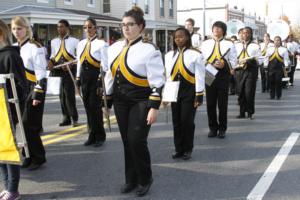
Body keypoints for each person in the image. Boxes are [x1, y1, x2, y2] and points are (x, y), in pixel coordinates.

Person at [105, 6, 165, 196]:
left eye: (131, 25)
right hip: (120, 101)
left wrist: (154, 107)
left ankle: (145, 178)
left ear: (141, 26)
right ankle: (130, 179)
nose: (126, 28)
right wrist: (105, 103)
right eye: (123, 25)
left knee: (136, 140)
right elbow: (109, 76)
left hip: (141, 101)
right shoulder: (113, 48)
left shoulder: (150, 50)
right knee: (126, 141)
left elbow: (157, 81)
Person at [11, 16, 47, 170]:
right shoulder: (13, 48)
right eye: (13, 29)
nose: (16, 32)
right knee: (21, 125)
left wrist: (38, 94)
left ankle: (38, 157)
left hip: (33, 89)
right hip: (18, 90)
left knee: (29, 125)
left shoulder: (35, 47)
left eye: (19, 28)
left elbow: (41, 73)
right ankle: (28, 155)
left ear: (26, 28)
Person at [164, 27, 205, 160]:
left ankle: (188, 149)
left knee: (187, 121)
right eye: (176, 37)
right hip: (175, 90)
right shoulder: (169, 55)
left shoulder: (196, 54)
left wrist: (199, 95)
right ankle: (178, 149)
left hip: (190, 91)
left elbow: (200, 76)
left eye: (181, 36)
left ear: (187, 38)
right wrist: (166, 95)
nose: (178, 39)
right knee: (176, 122)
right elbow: (168, 77)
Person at [0, 18, 28, 200]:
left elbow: (21, 85)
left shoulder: (10, 55)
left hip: (6, 108)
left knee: (9, 148)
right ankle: (6, 185)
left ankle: (13, 188)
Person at [201, 21, 237, 138]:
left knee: (222, 104)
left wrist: (224, 65)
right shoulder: (205, 43)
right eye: (214, 27)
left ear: (223, 30)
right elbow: (200, 59)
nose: (216, 29)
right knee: (210, 103)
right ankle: (212, 128)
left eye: (219, 28)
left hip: (222, 75)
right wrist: (207, 64)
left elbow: (234, 61)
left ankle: (222, 129)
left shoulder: (229, 44)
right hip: (209, 73)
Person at [76, 17, 107, 147]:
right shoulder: (81, 44)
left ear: (95, 28)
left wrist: (101, 82)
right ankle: (92, 134)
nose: (87, 29)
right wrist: (77, 79)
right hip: (84, 78)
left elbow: (105, 65)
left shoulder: (102, 44)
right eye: (85, 27)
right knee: (88, 108)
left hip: (95, 78)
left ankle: (100, 136)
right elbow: (79, 62)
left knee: (95, 108)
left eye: (90, 27)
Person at [48, 19, 79, 127]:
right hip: (58, 69)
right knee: (61, 94)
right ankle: (66, 118)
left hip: (70, 69)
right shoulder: (53, 41)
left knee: (69, 94)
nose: (59, 29)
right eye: (58, 27)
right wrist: (50, 62)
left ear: (67, 27)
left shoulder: (75, 41)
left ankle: (74, 117)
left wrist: (71, 64)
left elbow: (78, 57)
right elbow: (53, 54)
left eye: (61, 26)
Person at [235, 27, 262, 119]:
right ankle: (242, 112)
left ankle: (250, 112)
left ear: (251, 34)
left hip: (250, 71)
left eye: (247, 33)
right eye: (243, 33)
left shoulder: (255, 45)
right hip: (239, 71)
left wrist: (249, 61)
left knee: (249, 92)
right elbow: (232, 58)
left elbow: (260, 60)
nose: (245, 35)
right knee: (240, 92)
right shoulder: (236, 45)